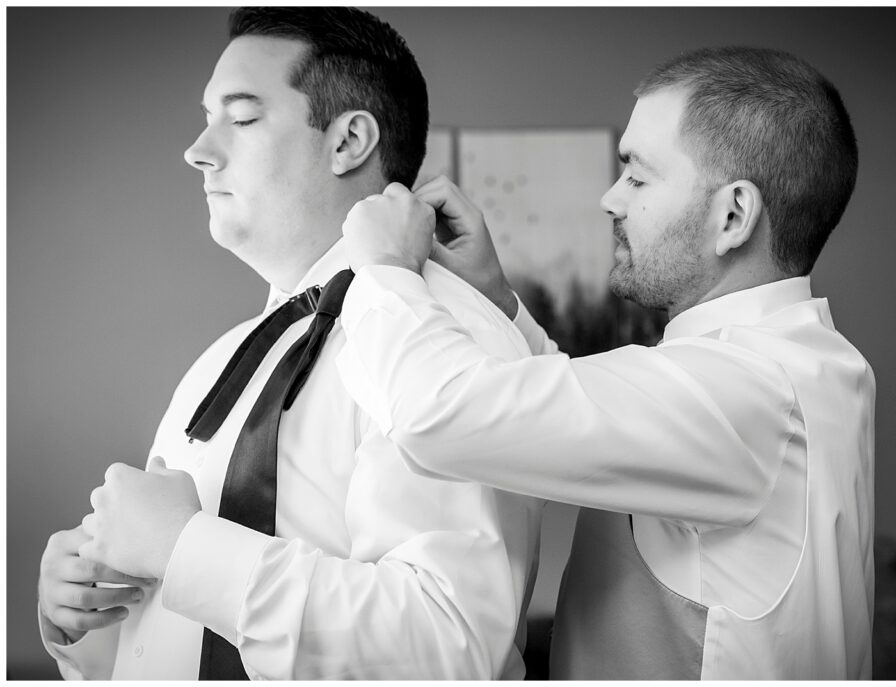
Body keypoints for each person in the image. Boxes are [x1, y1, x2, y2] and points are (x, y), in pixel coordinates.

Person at [336, 46, 875, 679]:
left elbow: (439, 413)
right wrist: (503, 303)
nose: (610, 200)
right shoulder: (792, 365)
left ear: (733, 215)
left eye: (638, 177)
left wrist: (384, 268)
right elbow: (590, 406)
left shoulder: (745, 389)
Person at [36, 7, 543, 679]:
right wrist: (79, 616)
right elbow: (170, 633)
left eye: (241, 118)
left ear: (348, 141)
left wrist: (186, 547)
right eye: (207, 116)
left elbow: (447, 645)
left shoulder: (447, 340)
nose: (198, 150)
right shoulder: (218, 365)